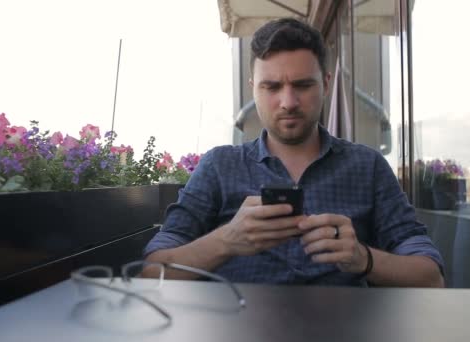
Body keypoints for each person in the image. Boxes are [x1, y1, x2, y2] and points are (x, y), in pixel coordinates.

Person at [144, 18, 444, 287]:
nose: (288, 101)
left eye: (302, 85)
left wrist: (363, 258)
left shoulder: (368, 166)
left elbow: (431, 277)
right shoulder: (219, 166)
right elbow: (151, 272)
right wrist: (226, 241)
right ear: (254, 90)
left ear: (326, 85)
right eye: (271, 87)